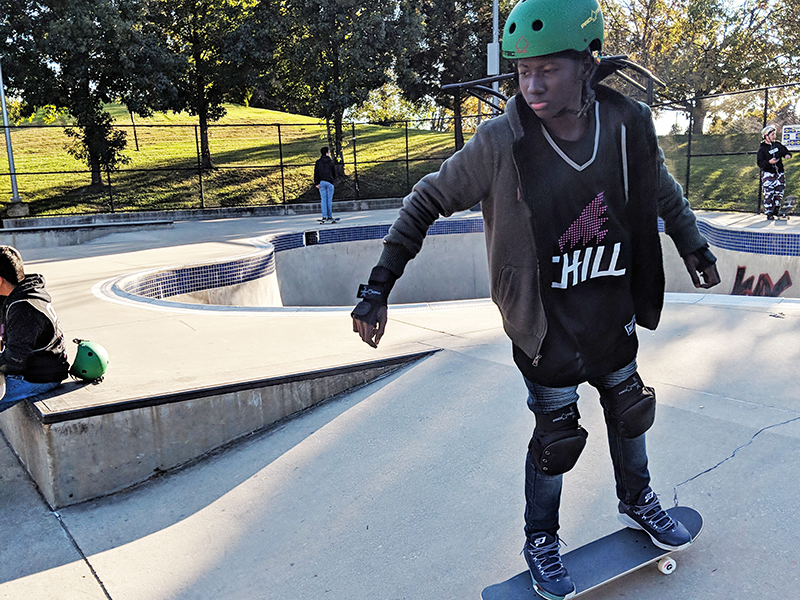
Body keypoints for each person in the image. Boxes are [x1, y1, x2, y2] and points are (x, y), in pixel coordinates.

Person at [351, 0, 721, 598]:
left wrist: (695, 248)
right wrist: (378, 286)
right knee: (557, 438)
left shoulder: (626, 125)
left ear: (586, 65)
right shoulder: (501, 141)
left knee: (631, 411)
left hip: (608, 309)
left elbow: (662, 191)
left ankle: (638, 500)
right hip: (544, 324)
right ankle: (541, 539)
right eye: (523, 72)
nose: (531, 85)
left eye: (547, 69)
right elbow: (425, 200)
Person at [0, 246, 69, 412]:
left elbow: (14, 361)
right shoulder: (16, 294)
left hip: (39, 377)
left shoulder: (24, 308)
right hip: (30, 367)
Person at [757, 124, 793, 219]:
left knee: (779, 192)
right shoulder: (762, 149)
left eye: (774, 134)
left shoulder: (777, 145)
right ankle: (769, 212)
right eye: (772, 135)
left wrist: (787, 155)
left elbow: (785, 151)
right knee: (769, 193)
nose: (774, 136)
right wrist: (768, 162)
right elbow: (760, 163)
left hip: (779, 173)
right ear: (766, 136)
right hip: (768, 174)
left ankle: (776, 209)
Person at [314, 146, 337, 223]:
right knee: (329, 200)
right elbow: (334, 173)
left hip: (322, 182)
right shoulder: (331, 162)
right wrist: (333, 181)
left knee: (323, 199)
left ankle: (324, 216)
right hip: (329, 182)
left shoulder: (318, 162)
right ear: (327, 153)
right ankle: (330, 216)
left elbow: (316, 173)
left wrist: (316, 182)